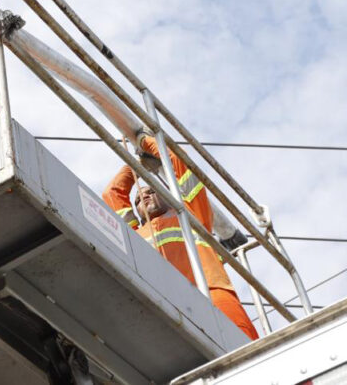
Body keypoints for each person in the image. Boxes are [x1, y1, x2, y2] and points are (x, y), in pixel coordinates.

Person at [102, 133, 259, 340]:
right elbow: (112, 194)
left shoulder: (191, 214)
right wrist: (135, 167)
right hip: (167, 302)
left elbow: (180, 163)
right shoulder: (134, 234)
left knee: (244, 344)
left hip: (211, 293)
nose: (145, 196)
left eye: (152, 191)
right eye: (139, 199)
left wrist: (145, 142)